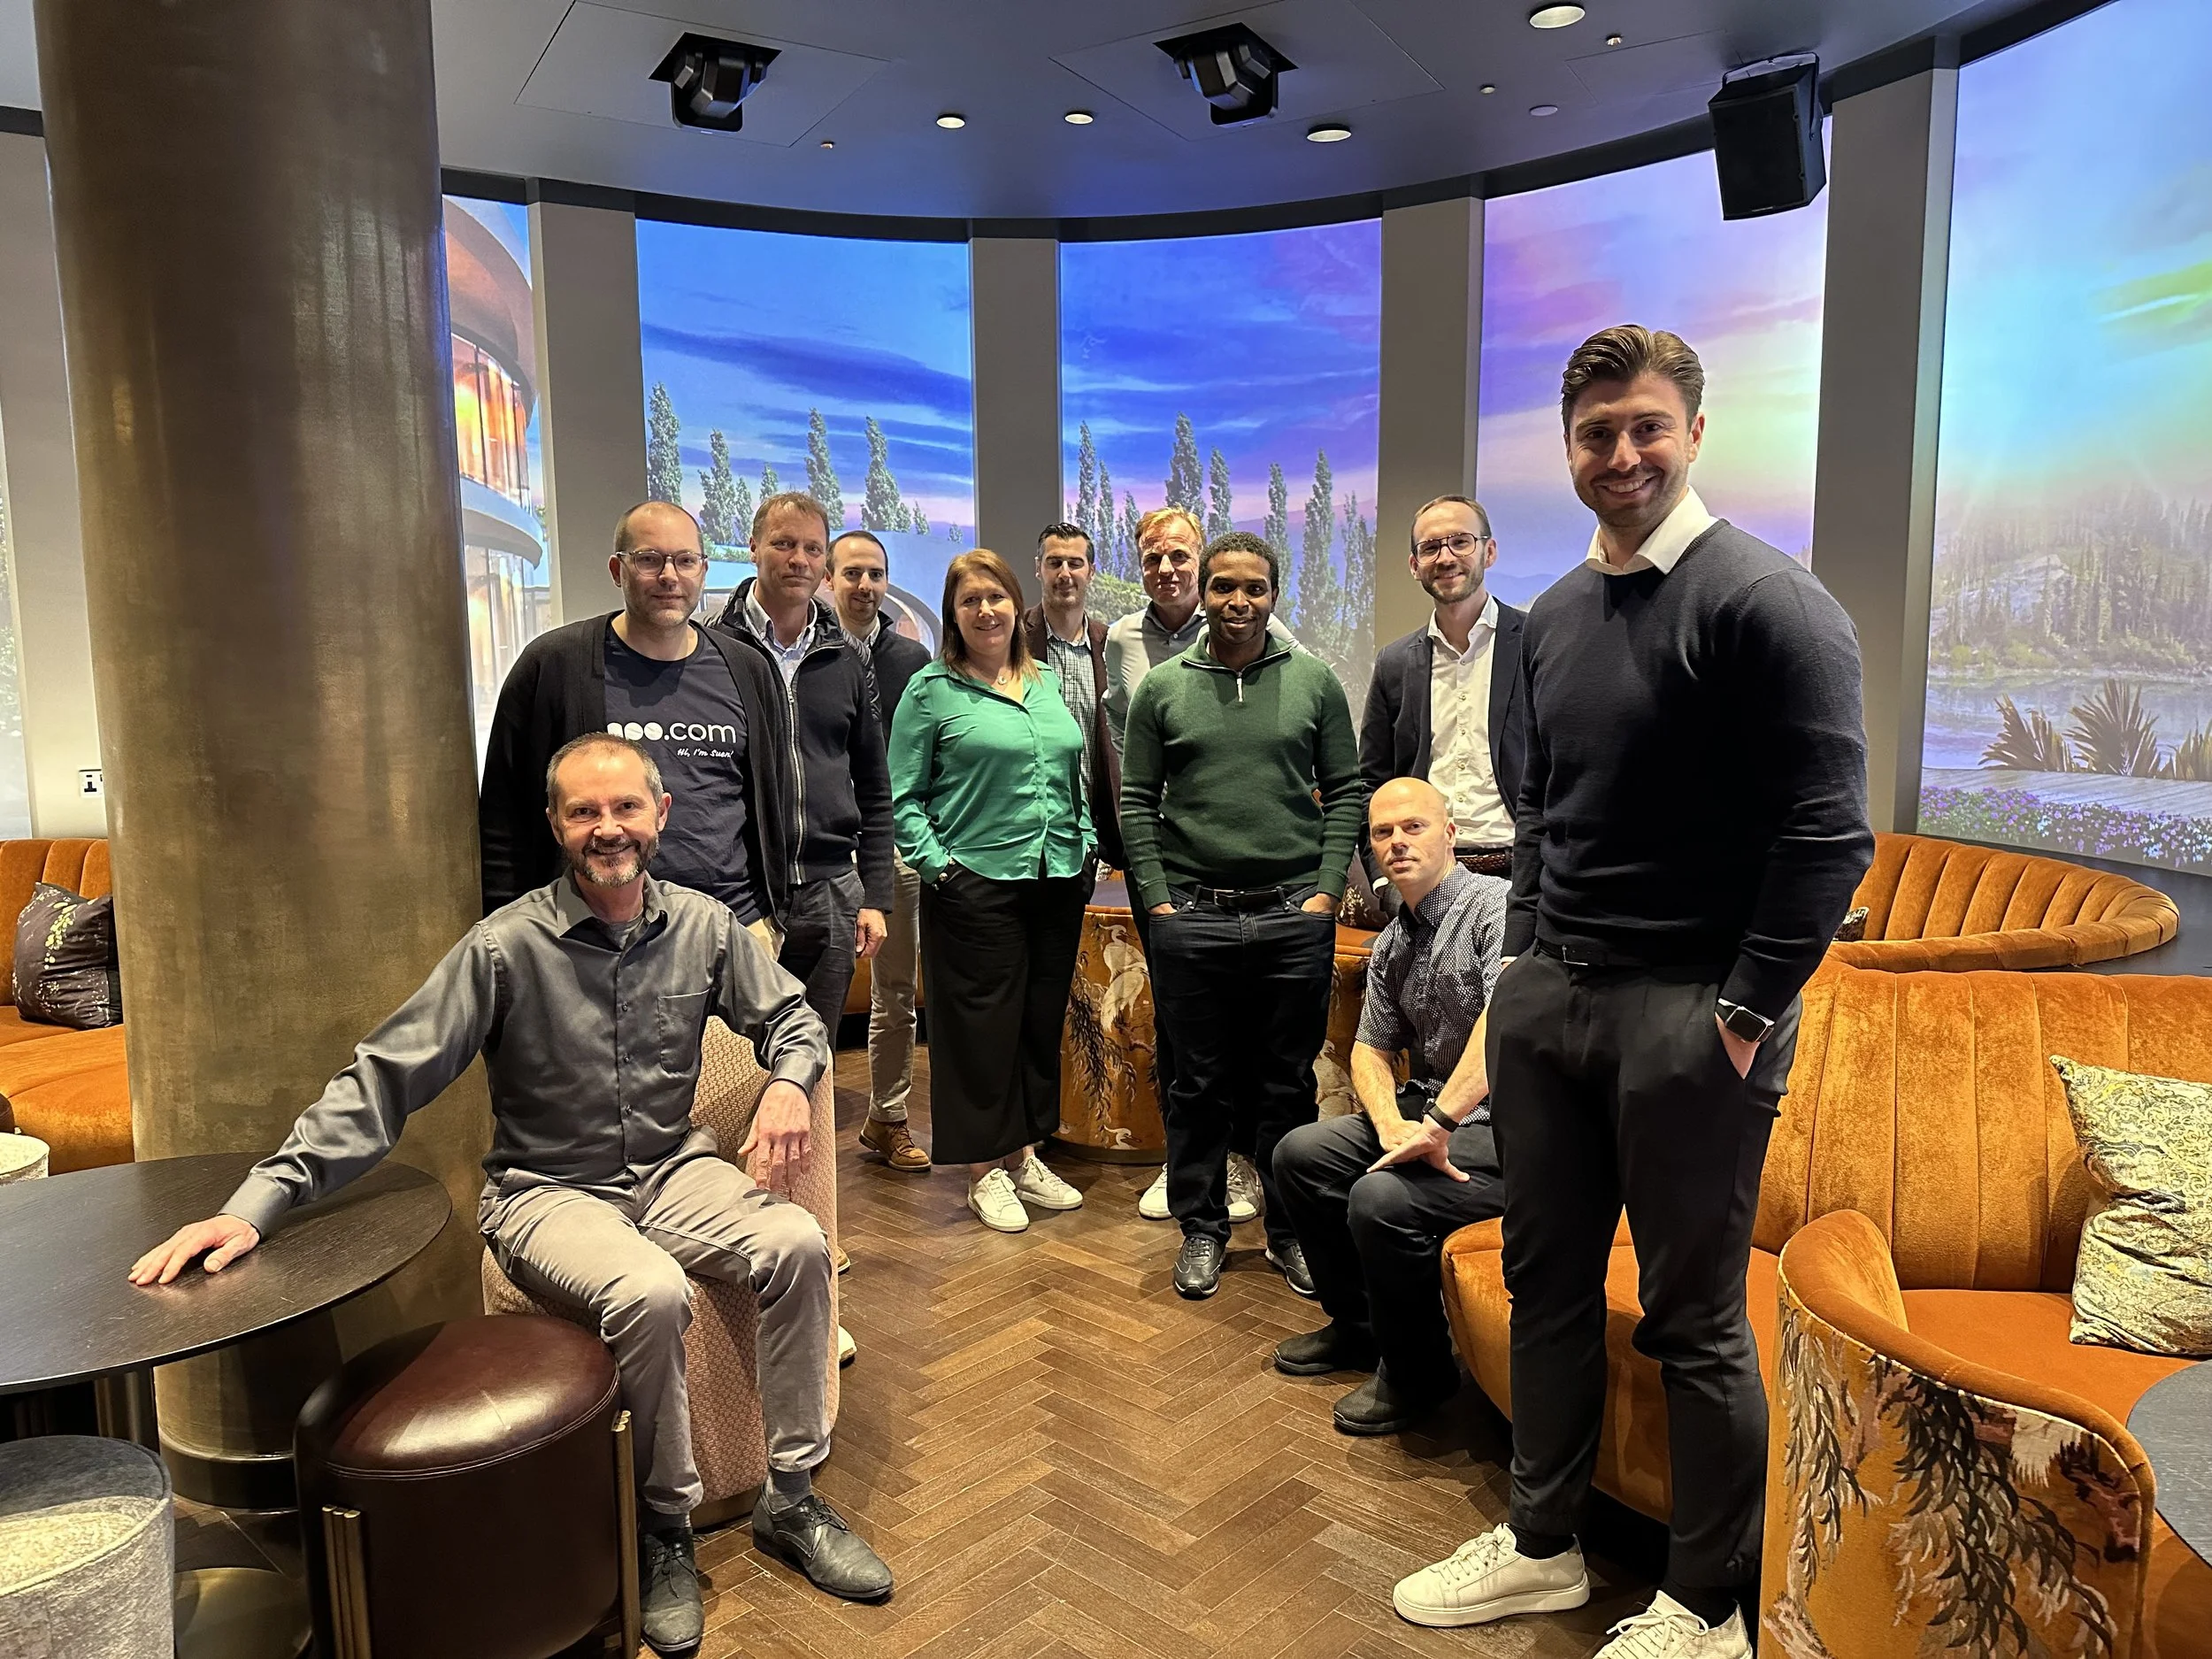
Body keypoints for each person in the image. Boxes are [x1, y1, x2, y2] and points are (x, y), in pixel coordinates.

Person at [130, 735, 895, 1655]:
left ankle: (793, 1499)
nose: (606, 828)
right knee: (647, 1292)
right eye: (583, 812)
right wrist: (256, 1203)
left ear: (660, 814)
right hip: (549, 1190)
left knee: (800, 1245)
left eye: (623, 808)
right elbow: (384, 1077)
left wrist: (784, 1079)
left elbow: (793, 1019)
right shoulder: (502, 948)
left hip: (673, 1167)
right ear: (555, 826)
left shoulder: (704, 926)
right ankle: (662, 1530)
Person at [1393, 326, 1871, 1654]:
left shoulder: (1774, 605)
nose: (1622, 454)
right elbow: (1544, 821)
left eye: (1646, 426)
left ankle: (1706, 1601)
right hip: (1557, 1004)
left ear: (1695, 432)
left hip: (1693, 1018)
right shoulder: (1548, 623)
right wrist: (1529, 971)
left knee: (1692, 1318)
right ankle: (1543, 1543)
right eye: (1597, 432)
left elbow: (1831, 843)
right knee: (1548, 1281)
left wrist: (1740, 1012)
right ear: (1569, 449)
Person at [1119, 530, 1364, 1300]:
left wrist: (1325, 891)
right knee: (1197, 1082)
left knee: (1286, 1085)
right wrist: (1159, 900)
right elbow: (1135, 801)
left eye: (1253, 588)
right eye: (1223, 586)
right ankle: (1203, 1226)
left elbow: (1347, 790)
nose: (1237, 602)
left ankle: (1290, 1230)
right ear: (1204, 593)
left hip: (1294, 917)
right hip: (1193, 916)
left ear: (1273, 594)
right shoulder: (1162, 688)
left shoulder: (1316, 682)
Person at [1271, 778, 1508, 1435]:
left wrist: (1436, 1125)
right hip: (1431, 1114)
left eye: (1414, 826)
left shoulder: (1500, 908)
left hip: (1513, 1131)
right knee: (1300, 1154)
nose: (1397, 842)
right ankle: (1360, 1328)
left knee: (1381, 1200)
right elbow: (1369, 1051)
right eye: (1382, 833)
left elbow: (1505, 1026)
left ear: (1451, 834)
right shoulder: (1394, 941)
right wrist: (1391, 1124)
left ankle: (1419, 1376)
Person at [888, 549, 1093, 1234]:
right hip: (974, 881)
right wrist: (940, 867)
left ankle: (1024, 1151)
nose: (985, 610)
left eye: (996, 597)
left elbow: (1073, 772)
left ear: (1015, 604)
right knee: (980, 1030)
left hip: (1056, 878)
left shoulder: (1042, 681)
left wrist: (1087, 836)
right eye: (970, 599)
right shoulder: (930, 690)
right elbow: (904, 796)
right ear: (952, 611)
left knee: (1037, 1024)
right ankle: (984, 1171)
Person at [478, 501, 789, 933]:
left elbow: (773, 800)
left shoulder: (747, 668)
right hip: (591, 937)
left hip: (736, 928)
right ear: (616, 570)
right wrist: (508, 931)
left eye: (685, 561)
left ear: (703, 570)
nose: (669, 576)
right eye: (648, 560)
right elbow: (502, 818)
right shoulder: (552, 665)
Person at [1102, 505, 1279, 1228]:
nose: (1166, 568)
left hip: (1235, 856)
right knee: (1181, 1021)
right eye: (1152, 557)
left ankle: (1239, 1161)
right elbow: (1127, 744)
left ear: (1201, 563)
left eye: (1179, 555)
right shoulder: (1120, 639)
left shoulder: (1251, 626)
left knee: (1240, 1021)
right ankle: (1188, 1164)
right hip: (1164, 859)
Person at [713, 491, 895, 1041]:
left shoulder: (847, 655)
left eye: (812, 548)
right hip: (743, 890)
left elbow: (873, 784)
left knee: (814, 1052)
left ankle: (813, 1134)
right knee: (738, 1058)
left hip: (833, 890)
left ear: (824, 564)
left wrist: (876, 897)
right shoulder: (712, 646)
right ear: (753, 548)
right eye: (783, 543)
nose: (798, 559)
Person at [826, 529, 933, 1174]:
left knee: (896, 991)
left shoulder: (911, 660)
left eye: (875, 574)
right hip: (820, 852)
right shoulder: (808, 652)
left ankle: (886, 1117)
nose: (864, 586)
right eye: (852, 573)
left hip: (892, 849)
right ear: (829, 580)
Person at [1360, 495, 1527, 883]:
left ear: (1489, 551)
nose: (1446, 557)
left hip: (1521, 876)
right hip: (1428, 876)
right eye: (1431, 547)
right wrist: (1384, 879)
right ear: (1414, 565)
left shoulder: (1536, 643)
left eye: (1461, 541)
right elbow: (1372, 780)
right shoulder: (1395, 663)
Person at [1021, 522, 1122, 872]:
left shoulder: (1113, 645)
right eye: (1054, 563)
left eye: (1075, 563)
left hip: (1102, 833)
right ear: (1038, 568)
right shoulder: (1012, 641)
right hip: (1034, 834)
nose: (1065, 574)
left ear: (1091, 571)